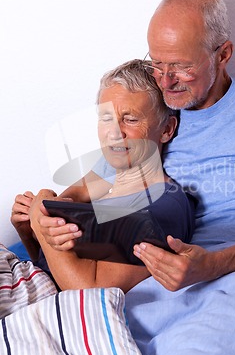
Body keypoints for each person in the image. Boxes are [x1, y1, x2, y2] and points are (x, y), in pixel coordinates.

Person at [23, 0, 235, 293]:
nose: (165, 80)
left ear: (223, 54)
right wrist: (42, 220)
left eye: (181, 66)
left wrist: (212, 265)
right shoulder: (150, 111)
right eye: (157, 63)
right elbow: (75, 197)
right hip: (156, 275)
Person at [11, 60, 195, 293]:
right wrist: (28, 229)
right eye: (106, 118)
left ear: (167, 129)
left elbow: (89, 290)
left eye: (130, 119)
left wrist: (39, 213)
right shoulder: (106, 180)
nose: (114, 133)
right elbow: (49, 263)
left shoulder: (163, 208)